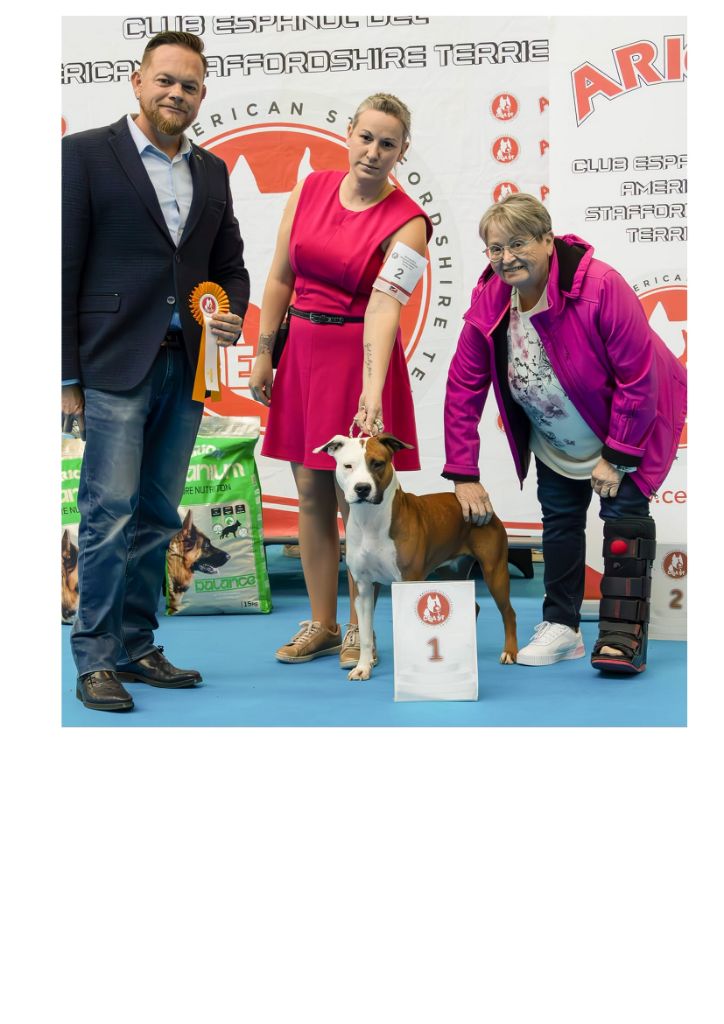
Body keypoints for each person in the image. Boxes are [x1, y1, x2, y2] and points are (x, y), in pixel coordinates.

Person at [62, 31, 250, 711]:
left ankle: (137, 646)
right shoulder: (82, 154)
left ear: (203, 96)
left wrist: (231, 314)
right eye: (165, 79)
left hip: (186, 367)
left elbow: (229, 269)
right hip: (112, 362)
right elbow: (61, 267)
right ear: (137, 82)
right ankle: (95, 659)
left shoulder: (213, 172)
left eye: (189, 85)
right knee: (108, 513)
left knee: (157, 514)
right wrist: (66, 379)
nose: (177, 93)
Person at [443, 193, 686, 673]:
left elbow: (639, 379)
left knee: (624, 522)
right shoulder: (490, 298)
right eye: (496, 248)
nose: (506, 258)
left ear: (547, 240)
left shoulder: (602, 286)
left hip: (627, 425)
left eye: (518, 244)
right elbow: (463, 385)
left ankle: (622, 631)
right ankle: (562, 626)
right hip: (555, 434)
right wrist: (463, 472)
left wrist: (617, 455)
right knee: (559, 524)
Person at [248, 93, 432, 667]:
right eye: (366, 137)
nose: (373, 151)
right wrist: (264, 354)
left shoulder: (411, 223)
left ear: (403, 150)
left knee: (360, 500)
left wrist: (371, 392)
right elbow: (279, 277)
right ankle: (322, 623)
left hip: (360, 357)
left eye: (388, 144)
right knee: (309, 491)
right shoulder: (309, 189)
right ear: (348, 133)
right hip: (302, 352)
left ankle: (358, 627)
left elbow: (384, 308)